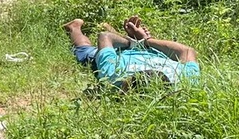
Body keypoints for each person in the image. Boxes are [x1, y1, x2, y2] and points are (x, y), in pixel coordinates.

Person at [64, 17, 201, 88]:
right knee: (94, 46)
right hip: (149, 51)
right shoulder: (185, 82)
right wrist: (145, 40)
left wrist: (135, 43)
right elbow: (187, 51)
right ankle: (117, 34)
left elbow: (105, 37)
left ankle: (74, 27)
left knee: (84, 48)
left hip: (124, 53)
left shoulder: (114, 76)